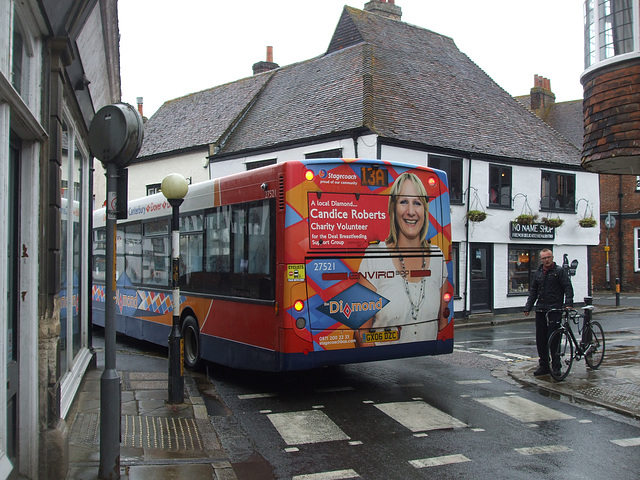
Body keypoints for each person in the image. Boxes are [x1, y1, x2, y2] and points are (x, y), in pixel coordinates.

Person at [357, 172, 449, 345]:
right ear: (393, 208)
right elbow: (362, 331)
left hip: (426, 367)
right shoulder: (375, 255)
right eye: (403, 202)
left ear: (425, 210)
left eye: (417, 203)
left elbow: (443, 324)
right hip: (384, 367)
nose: (411, 211)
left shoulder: (438, 257)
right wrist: (379, 371)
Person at [524, 249, 574, 376]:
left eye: (548, 257)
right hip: (541, 309)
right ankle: (544, 365)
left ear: (552, 257)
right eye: (544, 258)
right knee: (541, 339)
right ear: (540, 260)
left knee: (554, 338)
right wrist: (528, 307)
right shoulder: (538, 273)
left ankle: (556, 366)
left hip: (554, 309)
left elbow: (567, 287)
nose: (546, 260)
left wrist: (568, 304)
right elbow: (533, 291)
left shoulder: (559, 271)